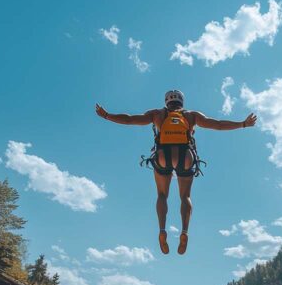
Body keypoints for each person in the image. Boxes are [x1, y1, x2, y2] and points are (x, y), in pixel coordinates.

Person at [95, 90, 257, 255]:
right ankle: (184, 232)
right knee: (185, 196)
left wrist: (107, 115)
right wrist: (243, 124)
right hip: (185, 156)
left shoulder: (157, 114)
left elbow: (130, 119)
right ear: (182, 101)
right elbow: (218, 124)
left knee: (162, 195)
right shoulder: (192, 116)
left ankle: (162, 229)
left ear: (166, 102)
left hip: (162, 155)